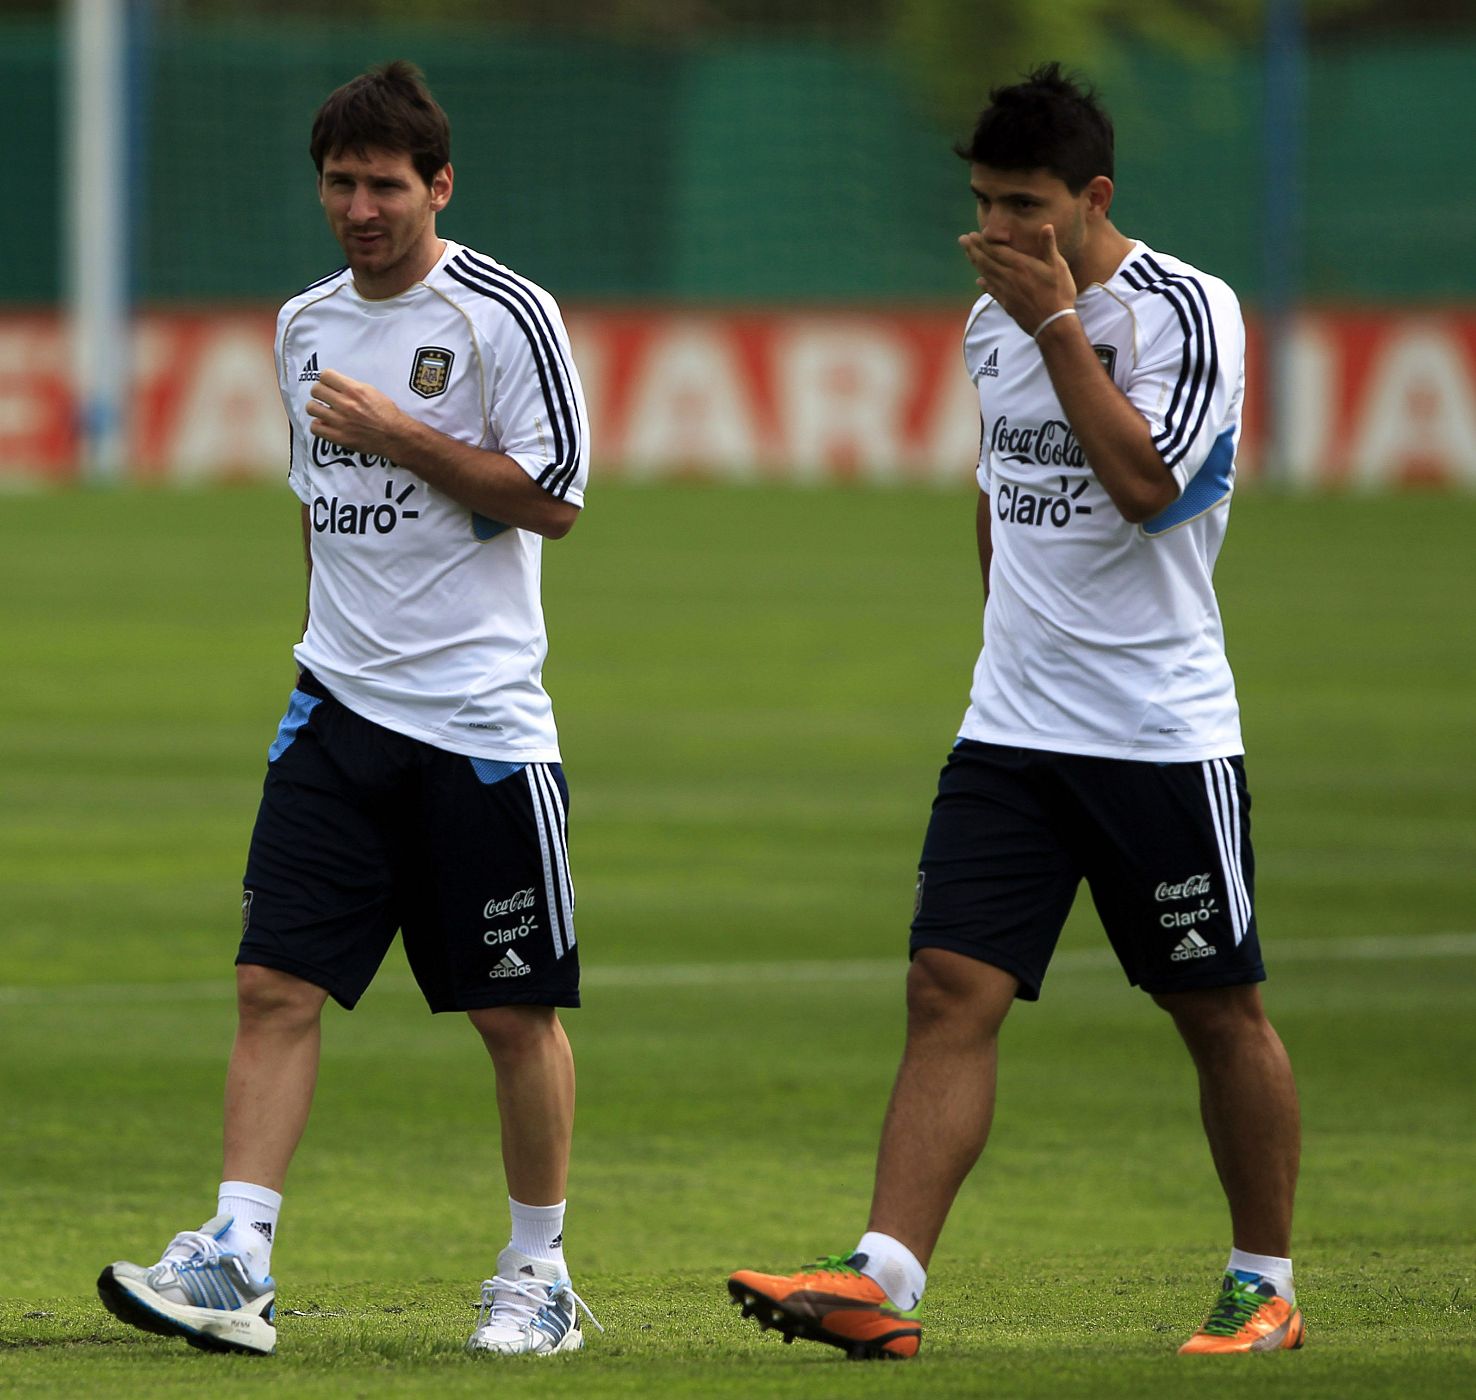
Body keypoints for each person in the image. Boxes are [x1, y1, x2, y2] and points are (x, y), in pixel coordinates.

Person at [729, 62, 1303, 1360]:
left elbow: (1150, 488)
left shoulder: (1186, 311)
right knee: (946, 988)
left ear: (1093, 197)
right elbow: (998, 497)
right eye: (984, 203)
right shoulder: (993, 324)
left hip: (1156, 736)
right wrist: (1007, 646)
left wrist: (1057, 328)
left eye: (1025, 206)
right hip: (1010, 732)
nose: (995, 232)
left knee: (1217, 1009)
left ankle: (1263, 1286)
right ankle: (882, 1279)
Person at [97, 59, 598, 1358]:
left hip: (478, 729)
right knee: (274, 983)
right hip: (333, 713)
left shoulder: (504, 315)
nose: (360, 208)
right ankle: (236, 1256)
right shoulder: (302, 325)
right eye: (339, 183)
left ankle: (539, 1274)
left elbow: (553, 498)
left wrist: (400, 435)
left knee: (512, 1015)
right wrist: (321, 651)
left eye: (384, 185)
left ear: (440, 186)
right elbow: (319, 513)